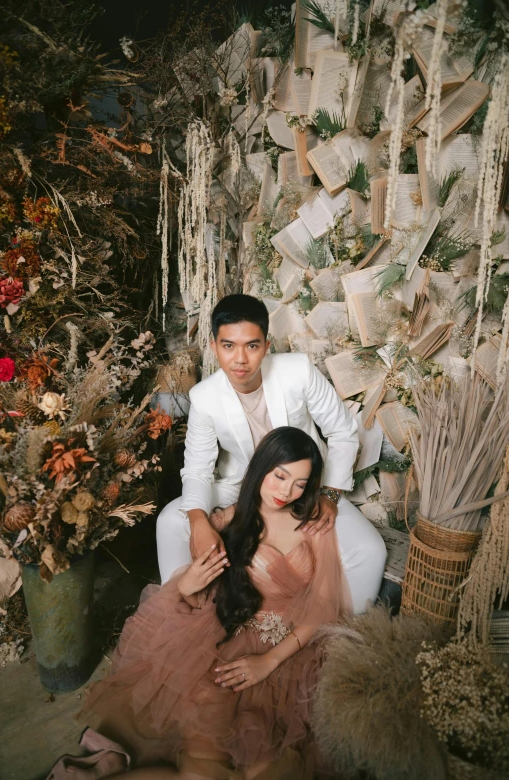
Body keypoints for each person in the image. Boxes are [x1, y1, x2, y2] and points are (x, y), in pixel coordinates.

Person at [78, 427, 351, 779]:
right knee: (200, 768)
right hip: (226, 641)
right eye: (280, 476)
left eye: (300, 483)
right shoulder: (232, 520)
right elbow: (200, 592)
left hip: (291, 654)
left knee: (271, 765)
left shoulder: (315, 524)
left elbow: (324, 607)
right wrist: (188, 583)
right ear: (261, 468)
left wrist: (268, 661)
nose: (287, 491)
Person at [157, 294, 386, 614]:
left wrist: (330, 495)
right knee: (171, 521)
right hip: (243, 481)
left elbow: (343, 432)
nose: (240, 359)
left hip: (301, 483)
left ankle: (341, 639)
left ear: (266, 346)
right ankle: (182, 611)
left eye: (251, 345)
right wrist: (198, 521)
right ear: (214, 347)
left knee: (369, 549)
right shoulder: (204, 397)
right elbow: (197, 468)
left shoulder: (299, 372)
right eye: (228, 346)